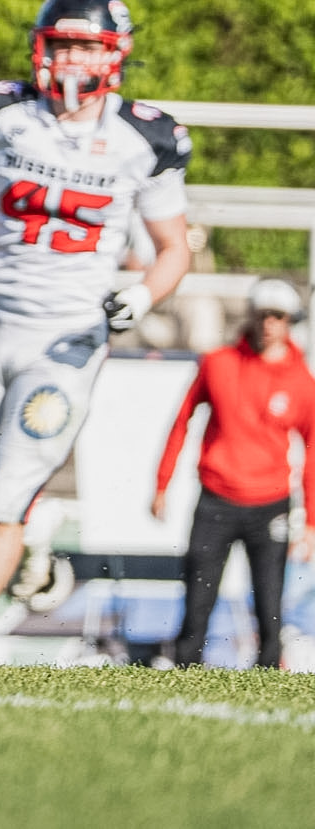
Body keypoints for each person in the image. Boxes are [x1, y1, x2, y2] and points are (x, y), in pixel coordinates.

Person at [0, 0, 192, 664]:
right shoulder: (2, 113)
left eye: (87, 45)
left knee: (5, 496)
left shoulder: (145, 136)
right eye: (63, 43)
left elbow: (175, 248)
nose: (72, 59)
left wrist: (141, 297)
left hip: (69, 339)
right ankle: (31, 548)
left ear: (113, 54)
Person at [153, 279, 315, 669]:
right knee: (198, 596)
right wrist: (162, 483)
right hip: (217, 498)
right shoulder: (218, 363)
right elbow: (181, 420)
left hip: (271, 503)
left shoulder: (302, 383)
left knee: (270, 602)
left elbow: (312, 450)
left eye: (277, 316)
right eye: (262, 315)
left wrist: (310, 519)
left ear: (289, 321)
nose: (268, 324)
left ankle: (268, 677)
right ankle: (185, 670)